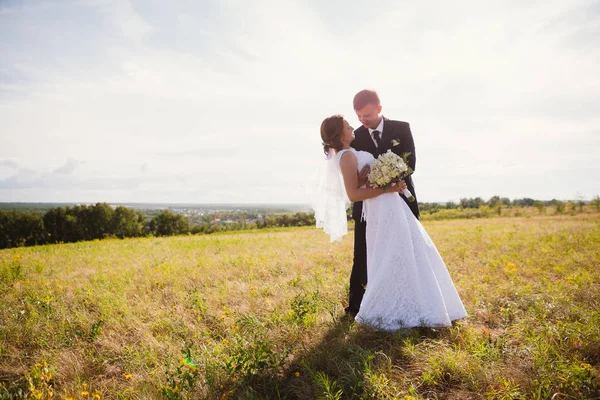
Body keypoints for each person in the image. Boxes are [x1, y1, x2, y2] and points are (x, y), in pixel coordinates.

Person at [317, 114, 467, 330]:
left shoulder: (348, 154)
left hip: (389, 206)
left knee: (409, 250)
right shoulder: (347, 155)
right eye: (348, 126)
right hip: (382, 208)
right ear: (340, 134)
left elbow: (357, 183)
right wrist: (388, 188)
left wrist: (369, 178)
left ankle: (420, 301)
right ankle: (397, 306)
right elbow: (353, 195)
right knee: (396, 254)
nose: (353, 127)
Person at [347, 89, 420, 317]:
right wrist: (378, 184)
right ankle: (357, 306)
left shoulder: (401, 128)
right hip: (367, 207)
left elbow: (410, 164)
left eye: (366, 115)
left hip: (401, 198)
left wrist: (389, 181)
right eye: (358, 116)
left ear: (379, 109)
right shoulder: (355, 137)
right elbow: (354, 172)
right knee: (362, 252)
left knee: (408, 250)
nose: (362, 120)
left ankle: (410, 299)